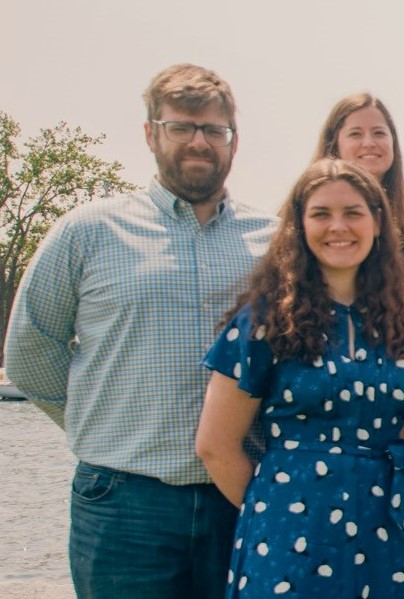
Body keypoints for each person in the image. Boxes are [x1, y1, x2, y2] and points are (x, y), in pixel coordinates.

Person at [4, 63, 274, 598]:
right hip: (124, 504)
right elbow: (31, 348)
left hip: (240, 497)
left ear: (234, 142)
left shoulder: (272, 243)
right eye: (182, 126)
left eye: (213, 130)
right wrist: (100, 419)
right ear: (151, 133)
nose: (199, 141)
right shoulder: (87, 232)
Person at [196, 159, 404, 597]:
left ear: (378, 223)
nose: (338, 227)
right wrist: (274, 508)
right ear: (299, 226)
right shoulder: (267, 320)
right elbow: (215, 445)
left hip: (386, 532)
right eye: (321, 214)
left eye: (353, 213)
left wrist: (393, 496)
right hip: (286, 534)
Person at [312, 92, 404, 280]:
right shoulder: (300, 217)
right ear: (334, 144)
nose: (369, 143)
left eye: (379, 133)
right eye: (355, 134)